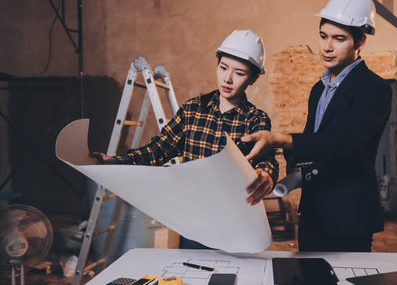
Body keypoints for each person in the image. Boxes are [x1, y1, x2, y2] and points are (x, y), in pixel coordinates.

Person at [92, 29, 279, 249]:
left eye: (239, 73)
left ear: (253, 78)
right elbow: (157, 150)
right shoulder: (192, 111)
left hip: (236, 225)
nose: (227, 78)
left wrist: (267, 174)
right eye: (223, 68)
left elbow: (267, 160)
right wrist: (115, 161)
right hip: (195, 225)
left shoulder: (255, 119)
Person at [242, 0, 392, 252]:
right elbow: (316, 142)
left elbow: (343, 142)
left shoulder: (374, 88)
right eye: (323, 36)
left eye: (339, 38)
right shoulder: (318, 89)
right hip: (313, 212)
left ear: (360, 42)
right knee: (309, 284)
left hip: (349, 215)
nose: (327, 47)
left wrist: (281, 139)